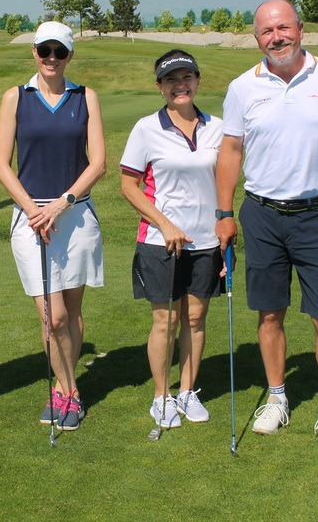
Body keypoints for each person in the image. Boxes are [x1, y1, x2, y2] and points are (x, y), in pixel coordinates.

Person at [215, 0, 318, 448]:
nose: (277, 37)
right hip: (261, 215)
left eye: (283, 28)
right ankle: (277, 397)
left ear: (300, 29)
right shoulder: (242, 87)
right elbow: (230, 151)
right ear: (256, 39)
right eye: (267, 31)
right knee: (269, 312)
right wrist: (223, 214)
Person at [0, 21, 106, 431]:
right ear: (35, 53)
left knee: (71, 312)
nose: (51, 58)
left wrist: (60, 204)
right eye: (45, 51)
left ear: (70, 55)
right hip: (31, 218)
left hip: (74, 216)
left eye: (59, 51)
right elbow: (1, 165)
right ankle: (71, 390)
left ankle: (62, 391)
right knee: (52, 317)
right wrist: (33, 210)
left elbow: (98, 163)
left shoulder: (85, 97)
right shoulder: (15, 98)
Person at [120, 50, 224, 430]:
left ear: (197, 81)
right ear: (160, 87)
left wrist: (224, 231)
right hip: (160, 241)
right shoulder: (146, 128)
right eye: (171, 80)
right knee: (167, 319)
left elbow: (225, 183)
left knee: (195, 319)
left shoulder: (218, 128)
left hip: (206, 241)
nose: (180, 85)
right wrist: (164, 224)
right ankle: (161, 396)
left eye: (187, 78)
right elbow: (128, 186)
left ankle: (187, 391)